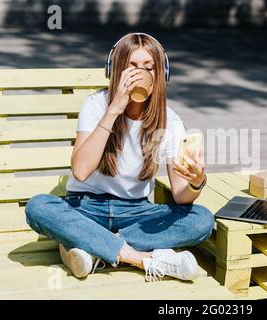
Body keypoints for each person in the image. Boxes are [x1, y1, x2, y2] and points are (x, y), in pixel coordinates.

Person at [25, 33, 214, 282]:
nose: (141, 74)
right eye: (132, 66)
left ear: (161, 75)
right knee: (38, 207)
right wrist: (114, 109)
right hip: (86, 207)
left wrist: (196, 182)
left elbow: (180, 195)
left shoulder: (170, 121)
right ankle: (142, 259)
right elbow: (80, 171)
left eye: (149, 68)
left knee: (202, 220)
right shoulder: (96, 105)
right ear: (116, 70)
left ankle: (92, 248)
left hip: (136, 212)